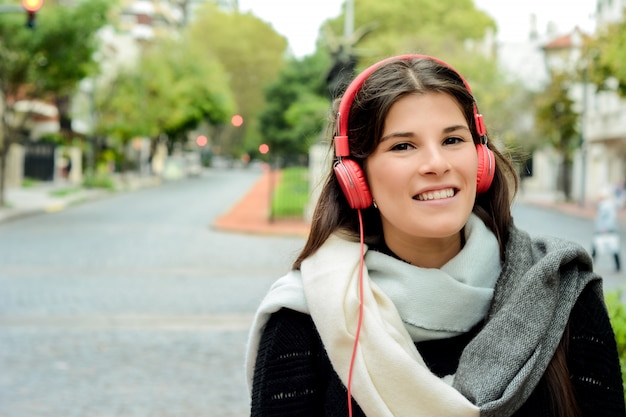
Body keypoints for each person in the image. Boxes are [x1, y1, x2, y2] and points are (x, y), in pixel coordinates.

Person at [246, 54, 625, 416]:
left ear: (481, 161)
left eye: (453, 140)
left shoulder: (562, 290)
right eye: (403, 146)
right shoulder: (306, 316)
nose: (436, 164)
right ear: (356, 178)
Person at [591, 186, 622, 272]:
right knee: (611, 247)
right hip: (603, 230)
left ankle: (590, 264)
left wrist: (606, 229)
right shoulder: (606, 205)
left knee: (608, 247)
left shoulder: (607, 206)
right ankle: (618, 266)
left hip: (604, 230)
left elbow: (609, 219)